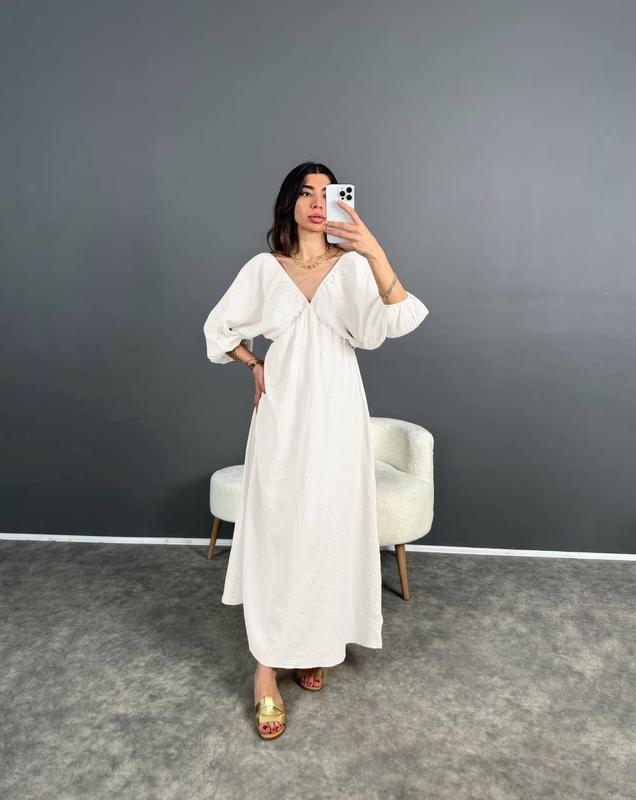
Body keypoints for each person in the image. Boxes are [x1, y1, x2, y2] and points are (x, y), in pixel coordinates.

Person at [203, 161, 429, 739]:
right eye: (306, 192)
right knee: (278, 528)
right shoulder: (264, 269)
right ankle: (265, 669)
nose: (315, 202)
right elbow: (218, 329)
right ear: (290, 203)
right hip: (282, 413)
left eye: (327, 195)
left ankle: (315, 644)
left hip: (337, 413)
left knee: (329, 525)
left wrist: (372, 249)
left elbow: (399, 317)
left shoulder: (352, 267)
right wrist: (253, 364)